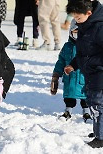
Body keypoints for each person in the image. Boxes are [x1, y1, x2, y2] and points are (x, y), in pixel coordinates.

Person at [65, 0, 103, 148]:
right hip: (91, 73)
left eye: (78, 18)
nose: (76, 20)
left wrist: (90, 61)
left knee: (97, 105)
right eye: (74, 17)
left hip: (99, 73)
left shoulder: (99, 27)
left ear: (89, 13)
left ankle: (101, 138)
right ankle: (99, 131)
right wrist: (74, 65)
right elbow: (82, 52)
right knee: (94, 103)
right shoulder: (84, 26)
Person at [51, 19, 91, 122]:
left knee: (85, 95)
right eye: (75, 32)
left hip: (84, 78)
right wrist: (56, 76)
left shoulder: (89, 46)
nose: (78, 35)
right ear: (71, 32)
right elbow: (60, 62)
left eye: (80, 32)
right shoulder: (67, 46)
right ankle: (68, 110)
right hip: (70, 77)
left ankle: (87, 111)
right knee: (69, 95)